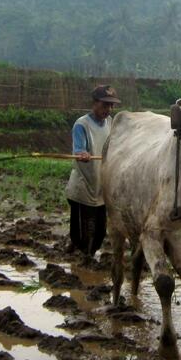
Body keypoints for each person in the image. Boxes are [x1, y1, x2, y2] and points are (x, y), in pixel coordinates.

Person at [65, 84, 120, 255]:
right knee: (85, 232)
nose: (108, 109)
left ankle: (80, 253)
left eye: (111, 105)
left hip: (101, 187)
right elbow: (79, 149)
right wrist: (82, 154)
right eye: (105, 105)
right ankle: (83, 264)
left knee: (100, 231)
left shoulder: (111, 124)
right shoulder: (82, 125)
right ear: (94, 103)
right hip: (84, 187)